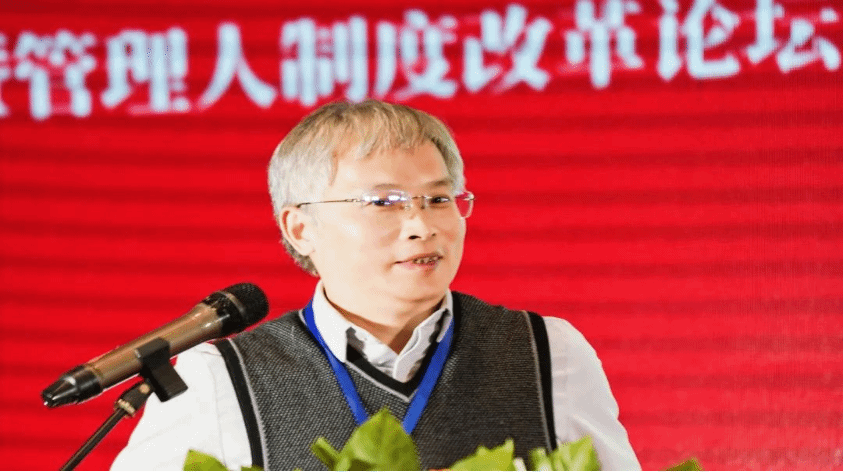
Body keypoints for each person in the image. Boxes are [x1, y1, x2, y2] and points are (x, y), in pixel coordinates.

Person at [111, 100, 640, 470]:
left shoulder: (547, 351)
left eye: (438, 199)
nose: (421, 225)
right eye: (384, 202)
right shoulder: (219, 378)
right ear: (301, 227)